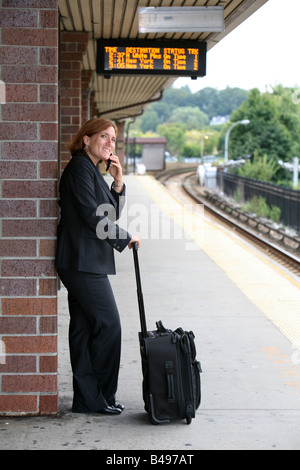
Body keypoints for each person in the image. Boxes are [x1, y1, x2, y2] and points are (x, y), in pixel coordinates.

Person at [56, 118, 141, 415]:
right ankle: (102, 394)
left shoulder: (91, 170)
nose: (109, 142)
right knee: (109, 325)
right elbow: (94, 218)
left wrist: (118, 182)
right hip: (81, 262)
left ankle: (88, 400)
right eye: (103, 136)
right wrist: (126, 238)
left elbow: (109, 212)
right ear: (86, 140)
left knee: (83, 328)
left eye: (113, 139)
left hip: (84, 260)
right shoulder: (80, 167)